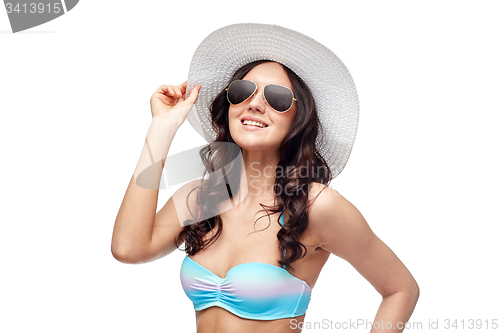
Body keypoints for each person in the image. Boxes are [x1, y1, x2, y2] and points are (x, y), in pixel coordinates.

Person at [111, 23, 419, 333]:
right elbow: (128, 249)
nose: (255, 104)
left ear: (299, 117)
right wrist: (160, 130)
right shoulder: (200, 197)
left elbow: (400, 289)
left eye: (277, 98)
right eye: (242, 91)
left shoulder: (316, 207)